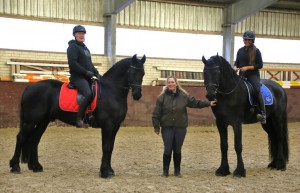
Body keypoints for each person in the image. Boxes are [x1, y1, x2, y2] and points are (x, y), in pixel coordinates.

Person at [152, 76, 217, 177]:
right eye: (169, 82)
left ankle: (177, 171)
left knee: (177, 149)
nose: (170, 84)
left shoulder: (184, 96)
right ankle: (165, 171)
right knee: (168, 149)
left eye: (172, 82)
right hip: (167, 127)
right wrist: (156, 127)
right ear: (167, 84)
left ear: (176, 83)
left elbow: (196, 103)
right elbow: (156, 114)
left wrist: (208, 103)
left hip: (180, 127)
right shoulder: (162, 98)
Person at [67, 25, 100, 128]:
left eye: (83, 33)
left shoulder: (85, 48)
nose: (81, 35)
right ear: (74, 35)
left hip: (87, 77)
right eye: (79, 33)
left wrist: (97, 73)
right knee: (88, 94)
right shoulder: (72, 47)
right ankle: (78, 119)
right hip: (77, 77)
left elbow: (90, 64)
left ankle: (90, 117)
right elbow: (73, 64)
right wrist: (86, 73)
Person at [234, 30, 266, 124]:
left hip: (253, 75)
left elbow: (260, 65)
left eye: (249, 40)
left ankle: (263, 113)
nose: (247, 41)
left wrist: (247, 67)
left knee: (256, 90)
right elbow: (237, 62)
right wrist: (235, 67)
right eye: (245, 39)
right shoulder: (240, 50)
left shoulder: (256, 51)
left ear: (252, 40)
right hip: (241, 75)